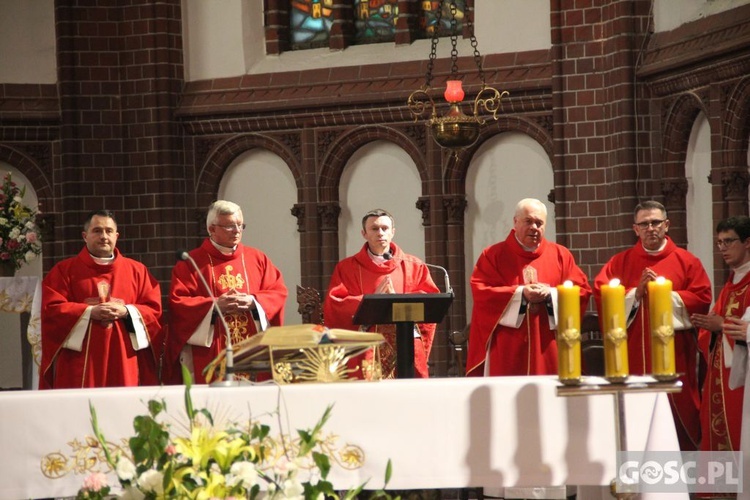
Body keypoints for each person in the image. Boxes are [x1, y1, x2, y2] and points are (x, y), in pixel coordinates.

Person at [593, 201, 712, 451]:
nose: (651, 228)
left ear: (666, 225)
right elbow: (602, 296)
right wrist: (635, 293)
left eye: (656, 222)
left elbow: (702, 299)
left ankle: (684, 482)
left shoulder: (687, 262)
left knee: (680, 421)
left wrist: (663, 293)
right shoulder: (619, 262)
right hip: (632, 357)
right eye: (644, 224)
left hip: (677, 356)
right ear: (635, 229)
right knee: (637, 427)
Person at [165, 200, 287, 384]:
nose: (237, 231)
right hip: (212, 350)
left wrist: (254, 301)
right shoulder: (191, 262)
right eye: (230, 226)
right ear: (212, 229)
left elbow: (278, 292)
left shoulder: (258, 258)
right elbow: (179, 303)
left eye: (240, 225)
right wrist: (214, 305)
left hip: (253, 348)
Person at [467, 198, 592, 377]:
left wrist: (551, 294)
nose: (534, 227)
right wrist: (520, 293)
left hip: (550, 345)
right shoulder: (493, 255)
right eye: (528, 221)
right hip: (508, 346)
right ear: (515, 222)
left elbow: (582, 291)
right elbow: (482, 293)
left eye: (539, 223)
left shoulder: (560, 255)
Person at [40, 210, 163, 389]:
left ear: (116, 236)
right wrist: (89, 312)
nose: (104, 236)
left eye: (109, 231)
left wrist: (127, 311)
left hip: (124, 358)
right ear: (85, 236)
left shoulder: (137, 271)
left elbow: (154, 310)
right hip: (81, 363)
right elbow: (51, 310)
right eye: (97, 231)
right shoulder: (64, 271)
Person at [323, 208, 440, 379]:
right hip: (367, 344)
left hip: (404, 340)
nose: (380, 233)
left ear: (393, 232)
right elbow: (336, 303)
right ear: (364, 233)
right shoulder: (347, 267)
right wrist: (370, 301)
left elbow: (430, 301)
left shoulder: (413, 265)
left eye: (385, 228)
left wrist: (398, 301)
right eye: (374, 229)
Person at [692, 216, 750, 455]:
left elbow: (740, 328)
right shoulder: (730, 283)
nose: (723, 248)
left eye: (729, 241)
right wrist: (710, 328)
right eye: (719, 243)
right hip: (719, 376)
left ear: (747, 242)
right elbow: (714, 327)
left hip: (740, 380)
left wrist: (721, 326)